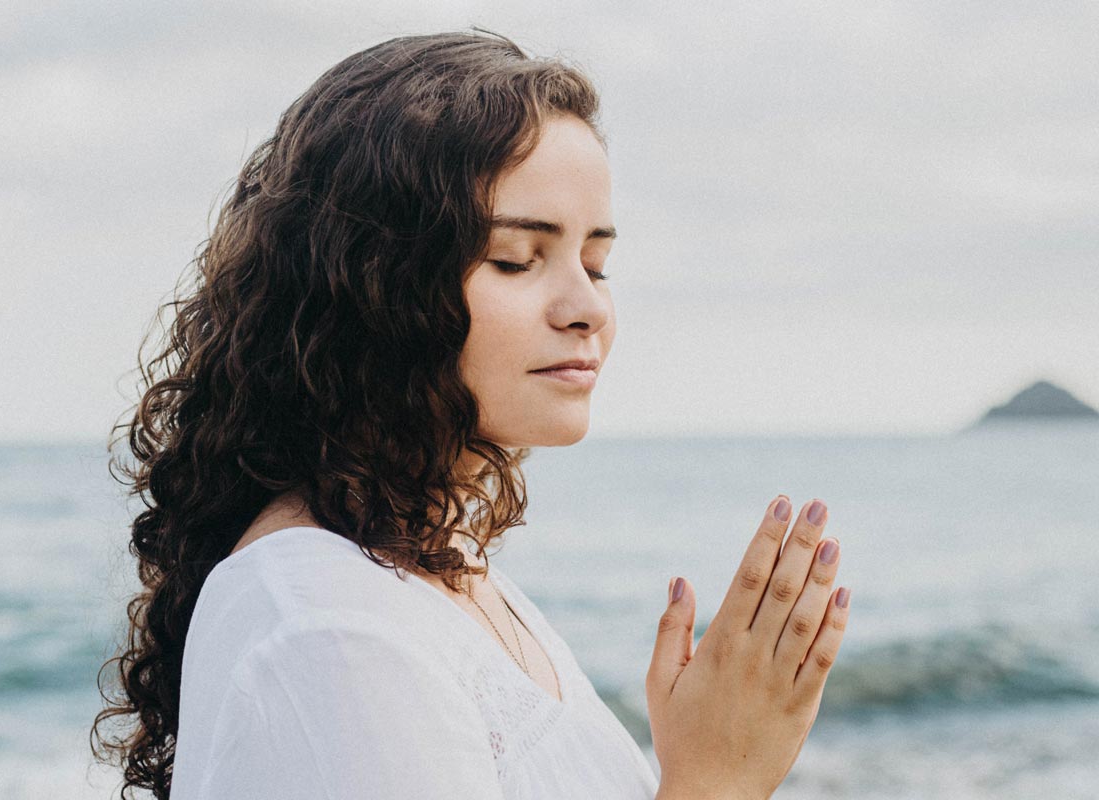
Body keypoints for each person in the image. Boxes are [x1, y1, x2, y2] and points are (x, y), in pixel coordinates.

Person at [91, 29, 850, 800]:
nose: (587, 307)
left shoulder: (440, 566)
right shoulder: (329, 626)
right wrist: (717, 777)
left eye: (596, 263)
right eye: (518, 258)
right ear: (374, 282)